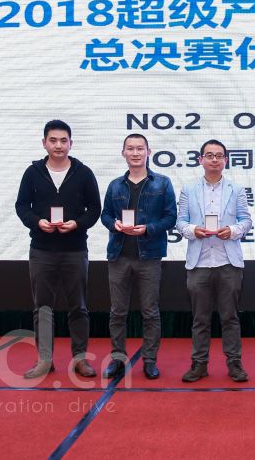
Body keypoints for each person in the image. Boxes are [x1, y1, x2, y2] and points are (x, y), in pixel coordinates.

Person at [15, 119, 100, 379]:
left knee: (79, 307)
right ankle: (45, 360)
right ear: (44, 143)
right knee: (43, 307)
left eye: (64, 141)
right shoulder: (33, 173)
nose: (58, 145)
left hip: (75, 250)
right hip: (42, 250)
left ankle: (80, 359)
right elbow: (22, 206)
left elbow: (95, 209)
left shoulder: (84, 173)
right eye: (53, 140)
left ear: (71, 143)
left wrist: (77, 224)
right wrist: (37, 222)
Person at [176, 139, 253, 383]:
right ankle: (199, 364)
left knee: (230, 317)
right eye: (209, 155)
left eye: (219, 156)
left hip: (228, 262)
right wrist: (193, 230)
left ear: (225, 161)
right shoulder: (189, 189)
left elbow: (246, 220)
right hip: (199, 263)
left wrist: (233, 230)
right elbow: (180, 222)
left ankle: (235, 364)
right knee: (200, 319)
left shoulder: (236, 189)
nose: (214, 160)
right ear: (200, 160)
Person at [100, 133, 176, 380]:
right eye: (130, 149)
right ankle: (117, 359)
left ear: (148, 152)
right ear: (123, 153)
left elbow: (171, 218)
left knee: (150, 312)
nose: (135, 153)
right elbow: (105, 215)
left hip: (149, 256)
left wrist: (148, 229)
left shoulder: (162, 183)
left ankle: (150, 361)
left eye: (140, 148)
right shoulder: (115, 185)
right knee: (117, 312)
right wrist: (114, 225)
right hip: (119, 255)